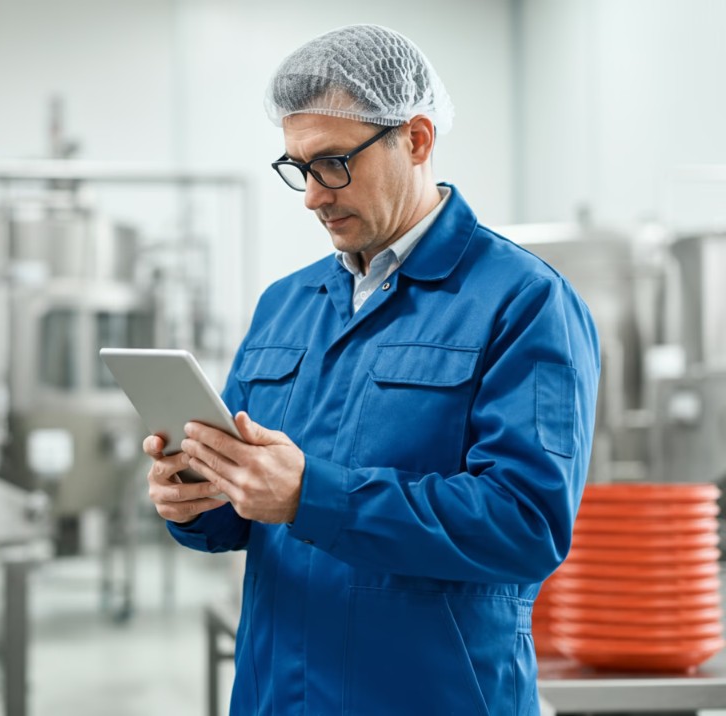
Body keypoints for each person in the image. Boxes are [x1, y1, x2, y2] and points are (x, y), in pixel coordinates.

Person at [143, 24, 599, 716]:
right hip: (277, 696)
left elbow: (526, 524)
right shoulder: (286, 304)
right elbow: (242, 511)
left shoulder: (524, 301)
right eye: (299, 167)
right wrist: (194, 497)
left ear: (415, 139)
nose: (312, 195)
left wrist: (311, 495)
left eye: (333, 163)